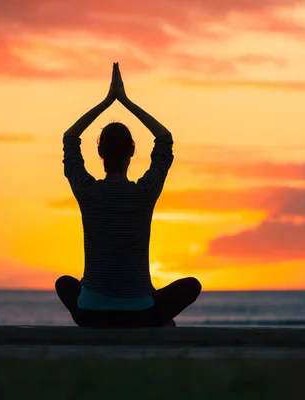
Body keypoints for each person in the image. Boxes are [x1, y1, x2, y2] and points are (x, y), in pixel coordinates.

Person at [55, 62, 201, 328]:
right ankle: (154, 320)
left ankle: (110, 316)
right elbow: (165, 139)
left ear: (100, 153)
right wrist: (126, 101)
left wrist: (107, 102)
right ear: (132, 151)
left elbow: (70, 138)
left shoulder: (88, 192)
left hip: (91, 314)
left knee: (64, 284)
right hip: (140, 312)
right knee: (191, 286)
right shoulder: (144, 193)